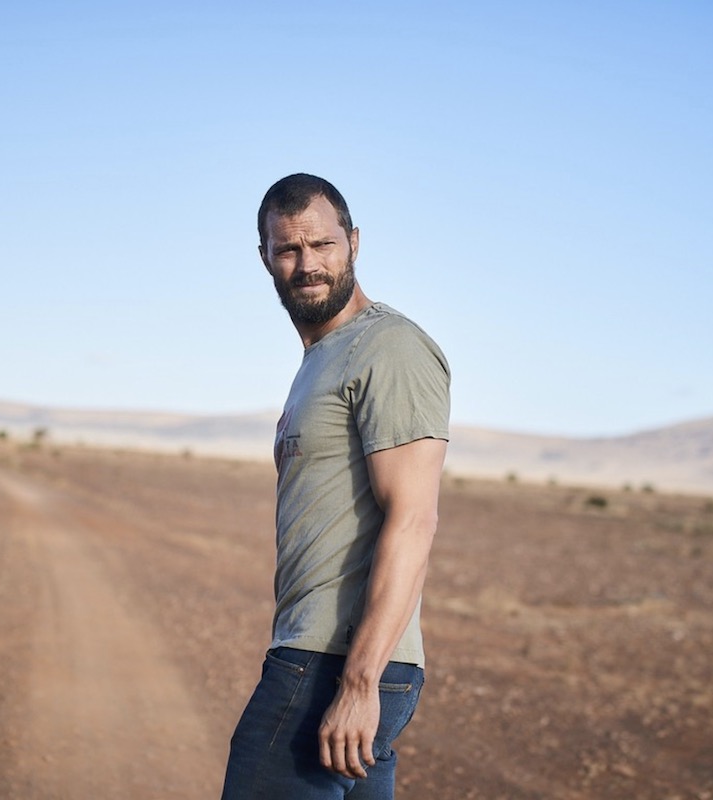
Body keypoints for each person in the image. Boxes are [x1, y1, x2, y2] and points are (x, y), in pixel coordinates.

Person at [221, 174, 450, 799]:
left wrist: (359, 683)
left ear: (353, 242)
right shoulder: (321, 357)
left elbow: (414, 520)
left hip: (333, 661)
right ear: (264, 255)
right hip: (332, 657)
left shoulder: (390, 347)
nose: (307, 265)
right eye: (289, 249)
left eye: (322, 245)